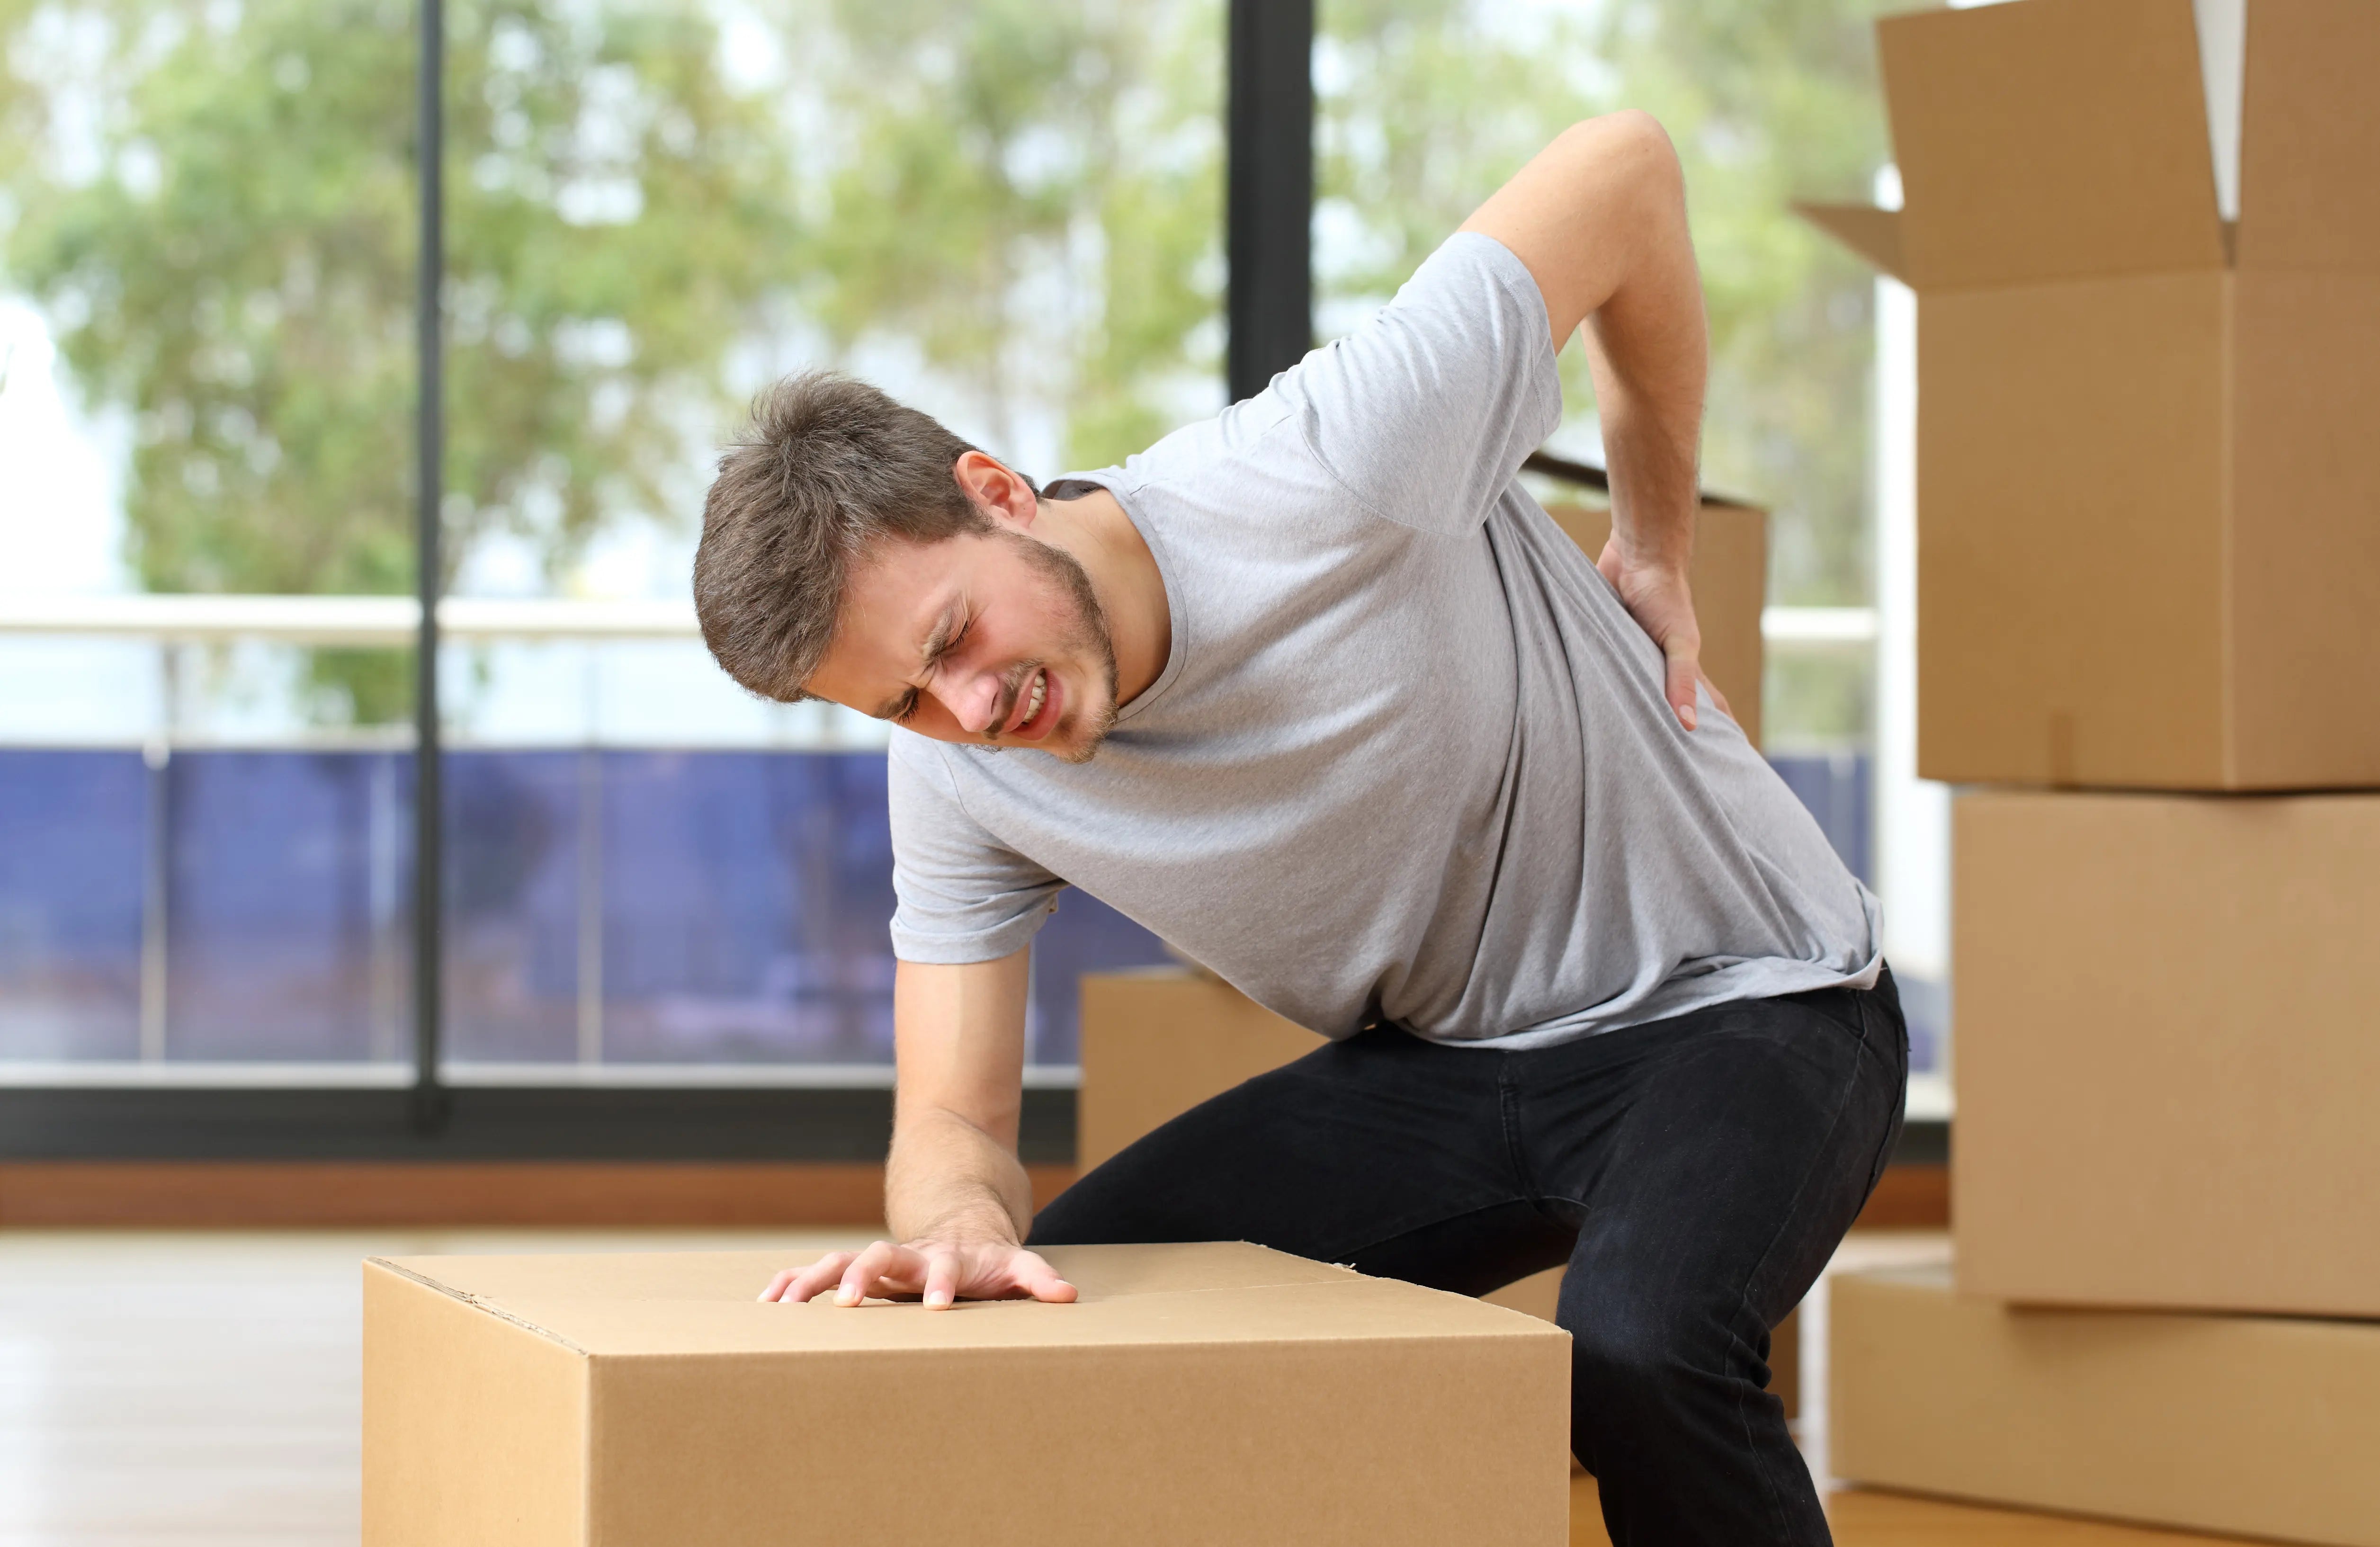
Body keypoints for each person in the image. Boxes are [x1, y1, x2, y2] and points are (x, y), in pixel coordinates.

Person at [692, 110, 1899, 1547]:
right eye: (904, 701)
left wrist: (1654, 540)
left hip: (1750, 1000)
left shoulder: (1330, 460)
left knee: (1636, 1348)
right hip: (1454, 1067)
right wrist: (955, 1229)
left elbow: (1629, 168)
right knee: (1049, 1322)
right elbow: (952, 1117)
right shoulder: (958, 770)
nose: (968, 706)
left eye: (955, 635)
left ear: (997, 493)